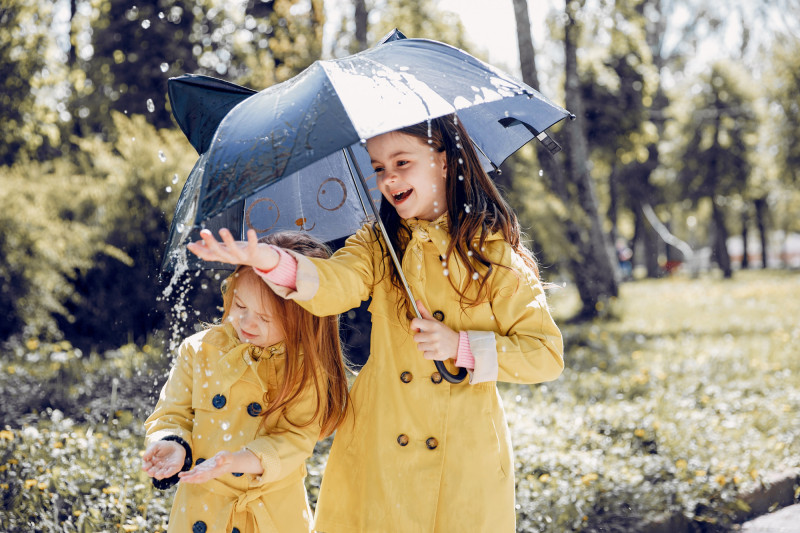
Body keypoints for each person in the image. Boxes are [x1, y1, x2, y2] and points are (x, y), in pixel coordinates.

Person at [187, 115, 565, 532]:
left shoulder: (490, 252)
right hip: (379, 439)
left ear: (444, 160)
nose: (389, 179)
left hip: (463, 450)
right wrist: (269, 261)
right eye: (379, 167)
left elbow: (545, 354)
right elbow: (334, 283)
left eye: (402, 162)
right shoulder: (377, 244)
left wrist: (462, 347)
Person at [142, 231, 350, 533]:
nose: (246, 323)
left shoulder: (306, 369)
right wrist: (173, 443)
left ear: (304, 318)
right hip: (203, 507)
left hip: (271, 515)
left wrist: (238, 461)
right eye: (240, 306)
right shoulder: (200, 350)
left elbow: (294, 440)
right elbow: (170, 414)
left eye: (265, 318)